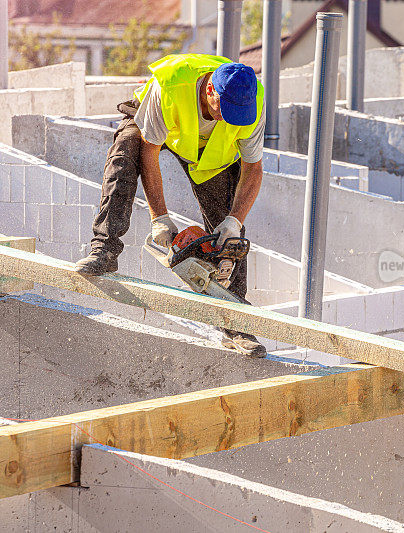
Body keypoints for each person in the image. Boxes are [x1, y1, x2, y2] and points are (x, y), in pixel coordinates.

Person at [75, 53, 267, 357]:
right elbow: (149, 154)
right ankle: (104, 249)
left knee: (227, 226)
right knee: (124, 157)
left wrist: (233, 222)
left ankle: (235, 323)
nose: (228, 118)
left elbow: (253, 169)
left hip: (207, 152)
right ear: (209, 91)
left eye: (236, 114)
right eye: (223, 109)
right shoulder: (171, 86)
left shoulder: (250, 103)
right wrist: (160, 217)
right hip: (152, 121)